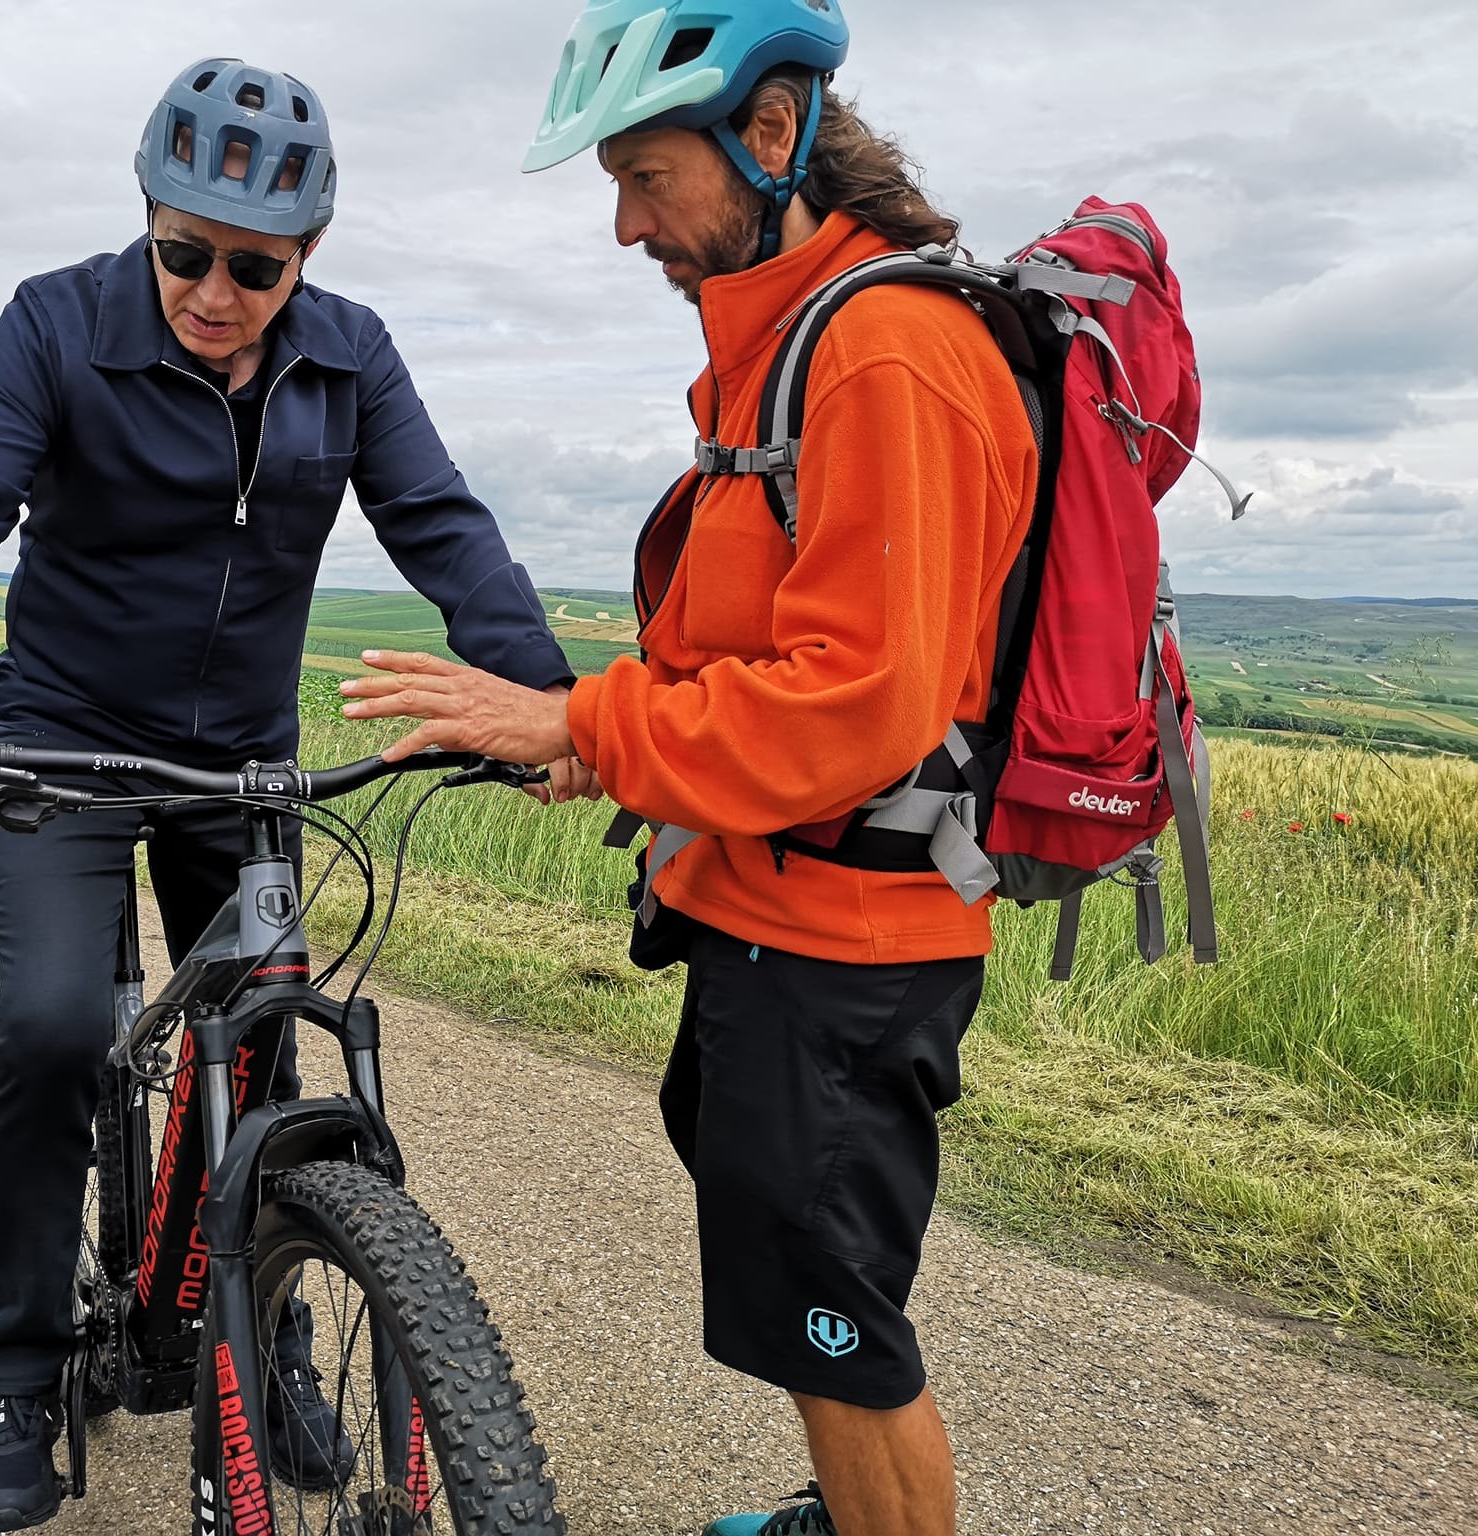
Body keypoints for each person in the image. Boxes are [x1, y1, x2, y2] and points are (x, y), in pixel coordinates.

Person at [0, 58, 574, 1534]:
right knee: (48, 1037)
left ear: (308, 259)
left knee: (265, 1039)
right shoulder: (55, 323)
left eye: (256, 266)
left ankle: (270, 1323)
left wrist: (548, 699)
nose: (215, 291)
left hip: (239, 755)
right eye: (185, 251)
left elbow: (446, 529)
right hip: (68, 741)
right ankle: (18, 1378)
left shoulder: (350, 358)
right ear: (148, 220)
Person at [343, 5, 1039, 1534]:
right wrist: (597, 737)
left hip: (847, 947)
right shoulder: (789, 338)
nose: (623, 224)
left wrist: (582, 725)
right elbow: (751, 647)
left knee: (843, 1328)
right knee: (807, 1290)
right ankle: (842, 1508)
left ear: (770, 139)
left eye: (649, 178)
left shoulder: (887, 352)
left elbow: (856, 709)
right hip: (769, 910)